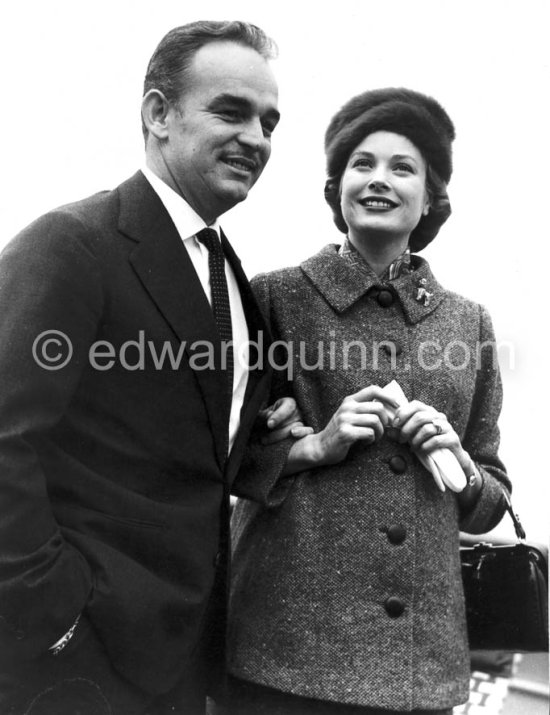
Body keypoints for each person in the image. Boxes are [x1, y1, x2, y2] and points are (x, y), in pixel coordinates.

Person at [0, 20, 301, 715]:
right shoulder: (72, 244)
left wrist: (278, 442)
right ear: (158, 114)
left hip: (183, 661)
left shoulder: (229, 275)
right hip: (76, 664)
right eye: (230, 110)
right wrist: (57, 618)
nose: (256, 138)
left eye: (269, 122)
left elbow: (191, 447)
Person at [224, 88, 511, 715]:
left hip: (419, 671)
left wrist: (459, 463)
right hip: (282, 657)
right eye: (362, 164)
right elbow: (221, 461)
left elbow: (491, 501)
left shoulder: (470, 324)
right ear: (337, 189)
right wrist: (316, 445)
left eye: (402, 167)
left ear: (432, 197)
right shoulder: (270, 299)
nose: (379, 180)